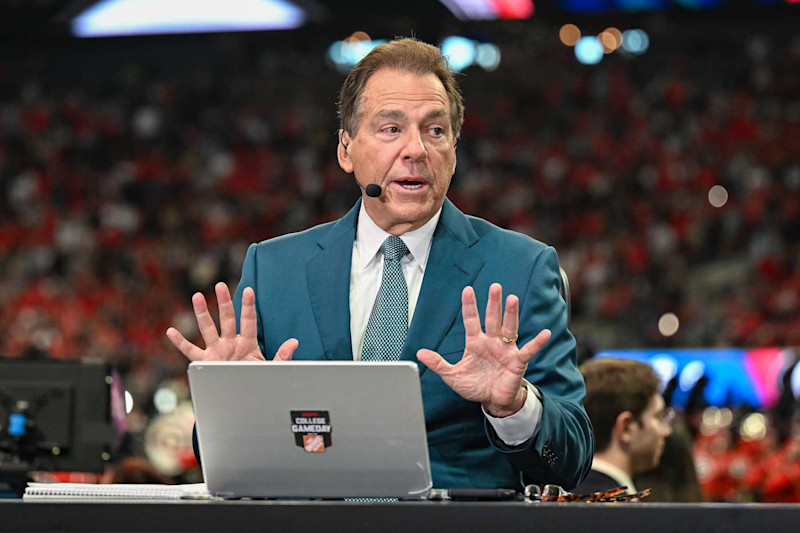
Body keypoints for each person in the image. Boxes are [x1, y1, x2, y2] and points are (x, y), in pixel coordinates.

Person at [167, 38, 593, 490]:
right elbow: (216, 460)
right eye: (391, 129)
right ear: (346, 150)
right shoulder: (274, 269)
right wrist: (233, 403)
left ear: (454, 146)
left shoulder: (521, 268)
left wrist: (515, 408)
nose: (416, 150)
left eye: (435, 130)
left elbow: (573, 459)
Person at [573, 357, 673, 495]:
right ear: (626, 427)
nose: (666, 431)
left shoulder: (556, 499)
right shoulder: (626, 512)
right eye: (659, 417)